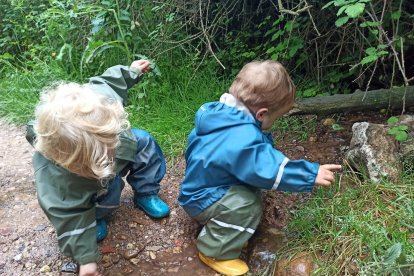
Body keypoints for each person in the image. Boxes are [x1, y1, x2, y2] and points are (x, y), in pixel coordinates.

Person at [178, 60, 342, 276]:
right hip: (204, 198)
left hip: (200, 185)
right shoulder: (242, 137)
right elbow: (268, 169)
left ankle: (226, 228)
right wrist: (310, 174)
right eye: (276, 117)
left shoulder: (219, 115)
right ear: (262, 114)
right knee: (247, 204)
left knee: (247, 194)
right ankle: (215, 250)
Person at [26, 60, 170, 276]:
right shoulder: (56, 178)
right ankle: (96, 217)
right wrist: (85, 259)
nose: (109, 149)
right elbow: (68, 216)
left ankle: (146, 192)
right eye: (102, 149)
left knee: (144, 142)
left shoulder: (95, 102)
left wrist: (132, 71)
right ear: (67, 159)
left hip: (120, 152)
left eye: (109, 141)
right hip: (92, 179)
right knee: (105, 190)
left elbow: (108, 82)